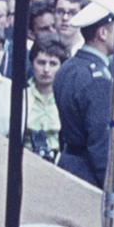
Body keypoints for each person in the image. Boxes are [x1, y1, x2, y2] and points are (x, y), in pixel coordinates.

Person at [54, 0, 114, 190]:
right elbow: (102, 143)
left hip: (69, 164)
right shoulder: (97, 79)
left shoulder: (69, 67)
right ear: (103, 33)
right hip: (89, 174)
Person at [23, 32, 70, 162]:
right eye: (41, 62)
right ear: (32, 63)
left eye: (53, 64)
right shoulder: (22, 95)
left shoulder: (67, 98)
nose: (46, 70)